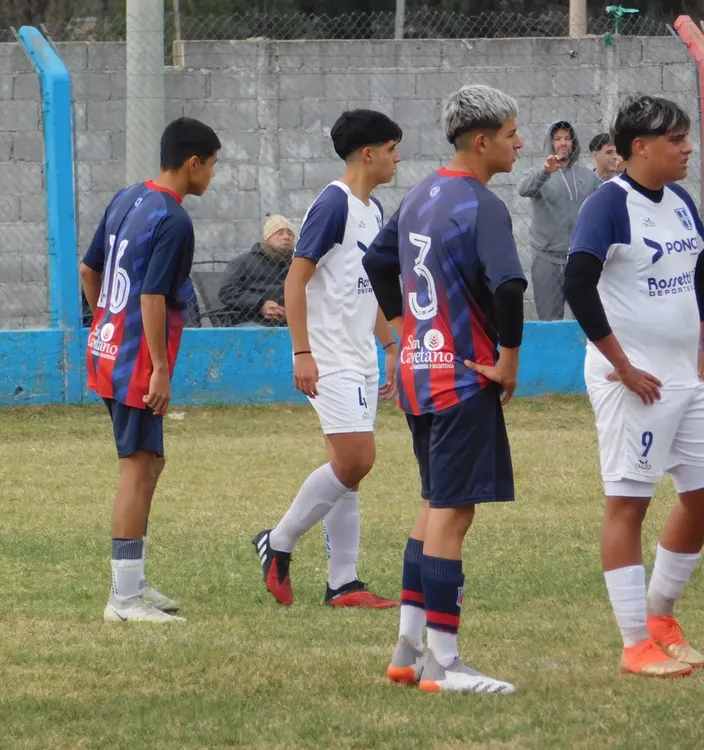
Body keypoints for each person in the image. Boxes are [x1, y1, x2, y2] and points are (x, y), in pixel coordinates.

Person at [362, 85, 527, 694]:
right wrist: (507, 360)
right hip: (461, 375)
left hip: (417, 370)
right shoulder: (480, 203)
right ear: (481, 141)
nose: (520, 143)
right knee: (453, 515)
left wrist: (407, 331)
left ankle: (408, 650)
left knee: (433, 504)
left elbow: (378, 264)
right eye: (512, 133)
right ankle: (445, 663)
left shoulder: (419, 193)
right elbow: (509, 285)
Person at [562, 95, 704, 678]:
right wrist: (622, 365)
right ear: (640, 147)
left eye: (687, 138)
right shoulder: (608, 205)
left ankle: (661, 619)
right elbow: (576, 282)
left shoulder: (678, 200)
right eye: (677, 140)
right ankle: (635, 643)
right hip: (635, 382)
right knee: (628, 503)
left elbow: (703, 265)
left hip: (685, 377)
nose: (688, 149)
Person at [252, 109, 403, 609]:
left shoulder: (373, 210)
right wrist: (302, 352)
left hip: (360, 356)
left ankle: (344, 582)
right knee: (358, 459)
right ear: (368, 153)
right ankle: (278, 541)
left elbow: (366, 288)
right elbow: (296, 279)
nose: (397, 157)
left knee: (349, 468)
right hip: (330, 357)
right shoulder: (333, 204)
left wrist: (390, 345)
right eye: (391, 148)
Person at [80, 117, 221, 624]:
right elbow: (154, 295)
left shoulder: (127, 198)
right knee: (136, 471)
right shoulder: (175, 219)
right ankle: (123, 600)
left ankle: (133, 581)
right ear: (192, 163)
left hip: (109, 349)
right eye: (212, 165)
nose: (212, 175)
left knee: (149, 463)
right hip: (136, 361)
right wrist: (159, 367)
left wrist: (104, 323)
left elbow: (88, 269)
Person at [518, 120, 602, 320]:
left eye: (567, 138)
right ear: (550, 143)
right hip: (546, 259)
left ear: (573, 143)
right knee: (549, 322)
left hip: (579, 259)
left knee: (585, 321)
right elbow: (524, 189)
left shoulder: (587, 176)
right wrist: (545, 172)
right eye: (557, 139)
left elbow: (606, 198)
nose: (563, 143)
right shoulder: (538, 174)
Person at [218, 215, 295, 327]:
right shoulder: (245, 261)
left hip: (290, 322)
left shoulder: (298, 264)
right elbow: (227, 291)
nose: (286, 237)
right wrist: (260, 305)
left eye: (290, 234)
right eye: (280, 233)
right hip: (251, 320)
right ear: (268, 237)